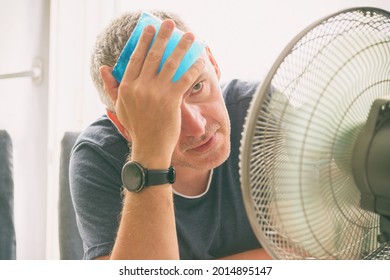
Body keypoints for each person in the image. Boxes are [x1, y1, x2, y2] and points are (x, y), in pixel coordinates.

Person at [69, 9, 271, 260]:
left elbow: (313, 257)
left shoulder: (261, 111)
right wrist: (149, 151)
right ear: (122, 126)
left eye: (197, 87)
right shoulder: (97, 155)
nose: (197, 127)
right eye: (164, 112)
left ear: (213, 63)